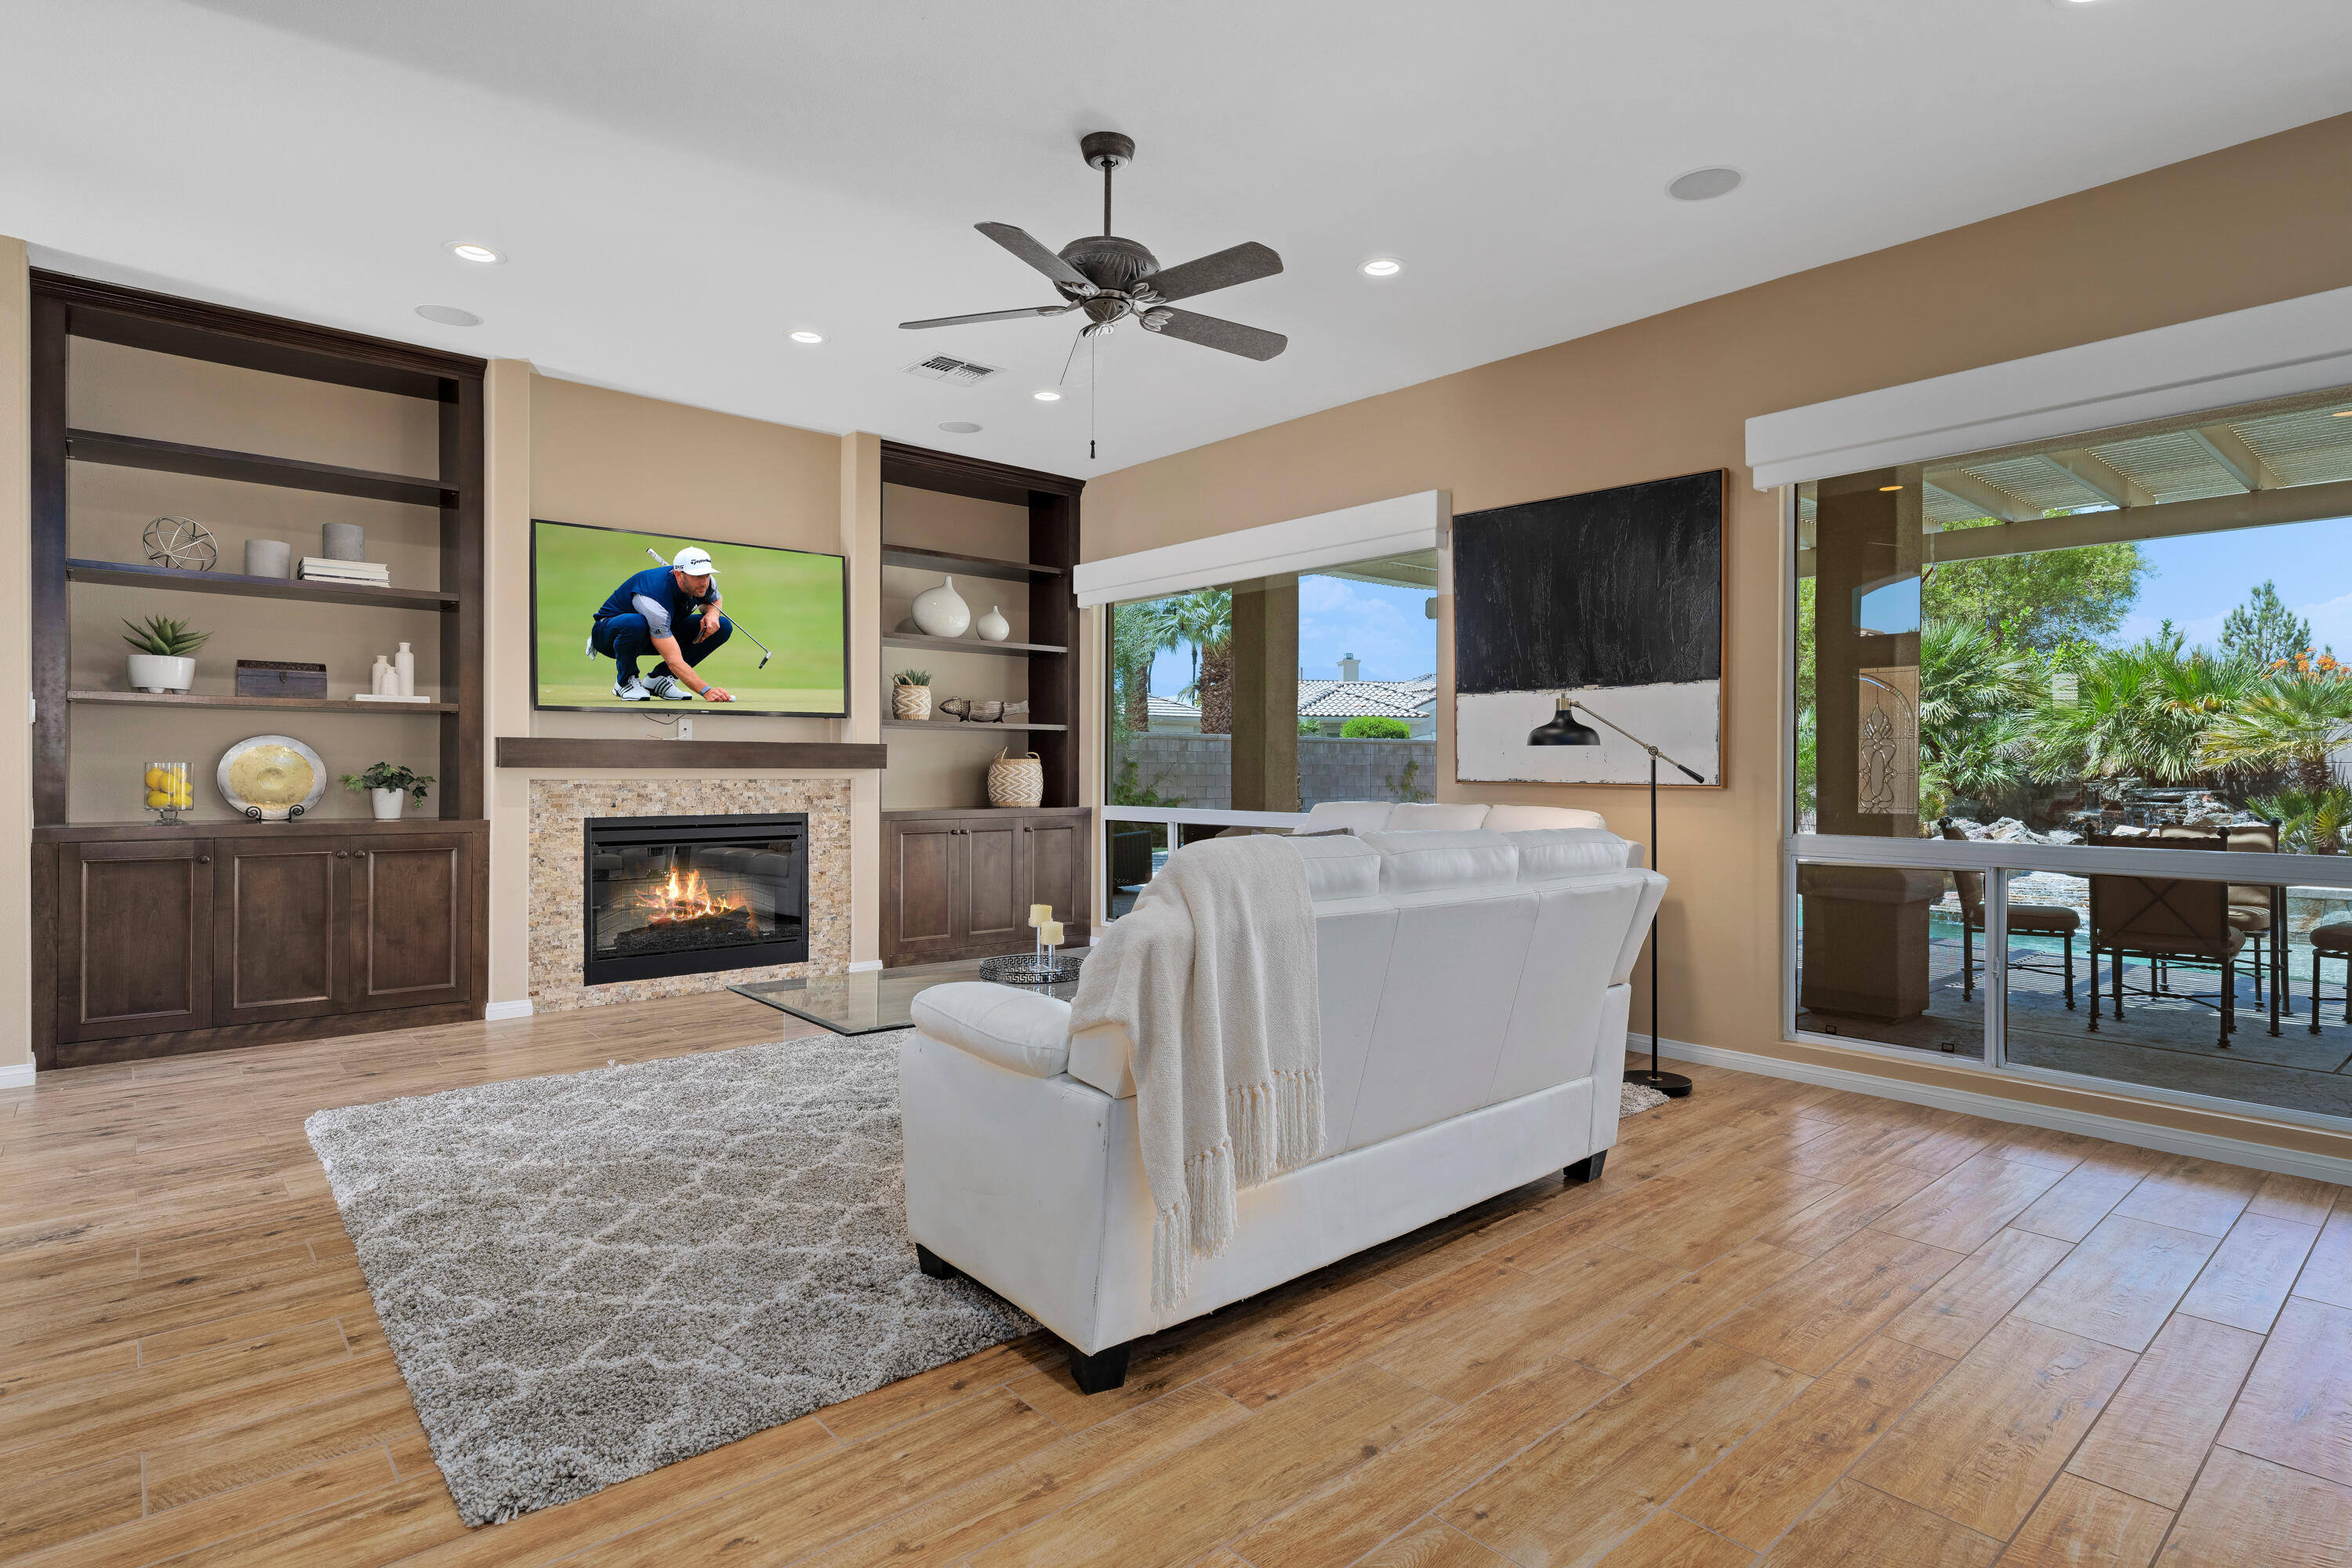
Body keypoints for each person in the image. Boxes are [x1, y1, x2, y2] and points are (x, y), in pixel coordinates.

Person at [588, 546, 736, 702]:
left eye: (706, 574)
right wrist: (706, 691)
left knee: (722, 626)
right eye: (697, 576)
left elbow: (713, 600)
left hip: (655, 630)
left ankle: (660, 679)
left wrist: (713, 614)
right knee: (635, 623)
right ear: (679, 575)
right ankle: (625, 681)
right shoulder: (653, 599)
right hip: (609, 635)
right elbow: (674, 659)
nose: (704, 581)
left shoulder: (706, 583)